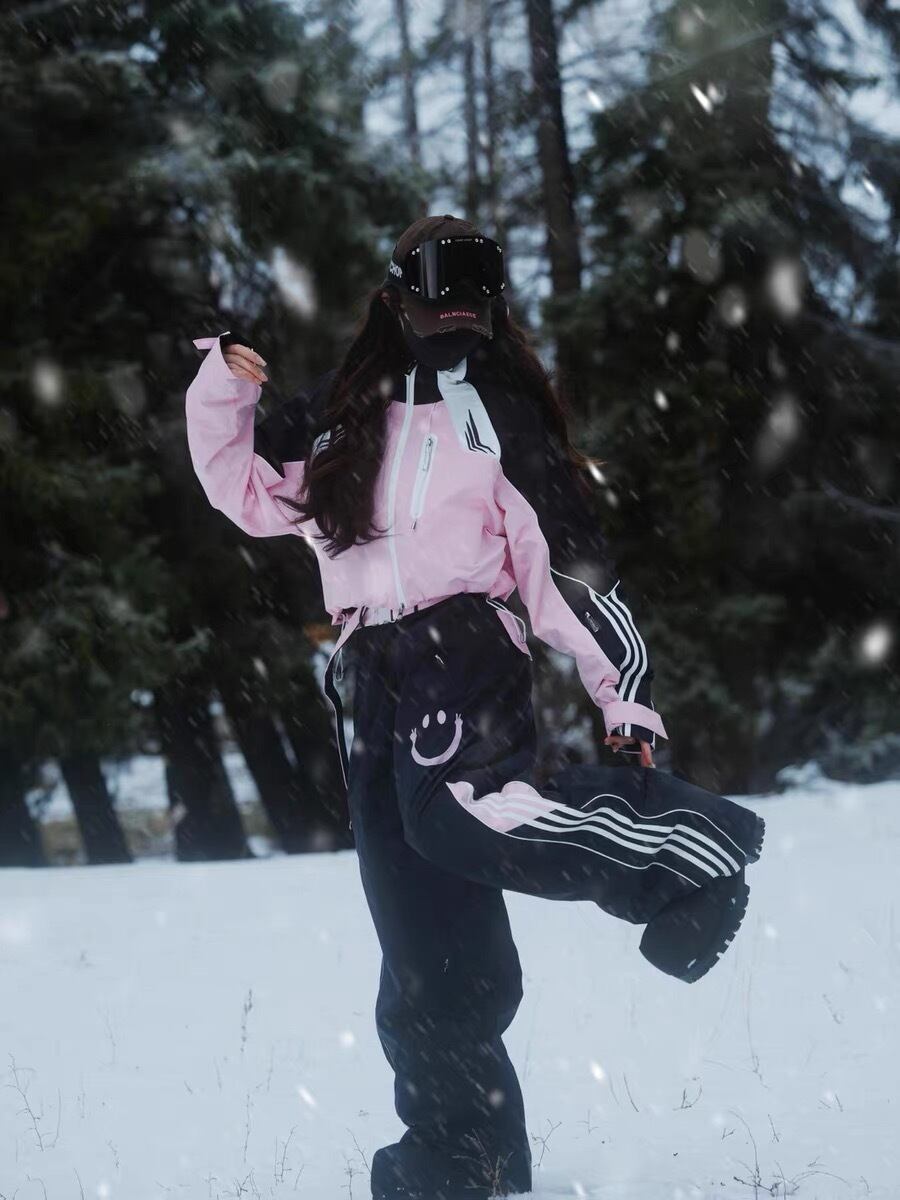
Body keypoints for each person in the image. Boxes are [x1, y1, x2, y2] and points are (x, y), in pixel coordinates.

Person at [185, 213, 765, 1200]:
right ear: (393, 303)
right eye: (432, 307)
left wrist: (625, 700)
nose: (451, 324)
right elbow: (242, 489)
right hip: (365, 669)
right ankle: (462, 1153)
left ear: (490, 309)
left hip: (462, 640)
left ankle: (683, 855)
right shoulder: (338, 412)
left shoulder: (498, 409)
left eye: (470, 308)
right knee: (420, 930)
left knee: (465, 811)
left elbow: (568, 571)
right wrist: (223, 384)